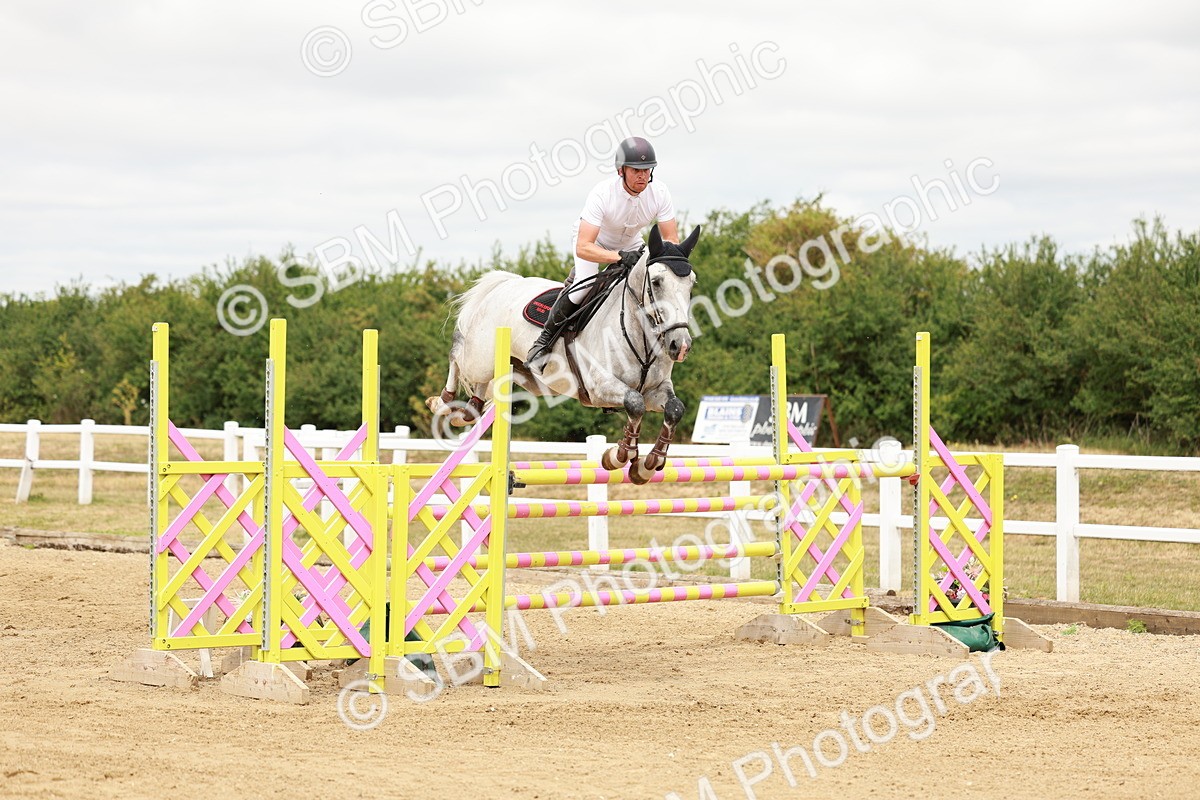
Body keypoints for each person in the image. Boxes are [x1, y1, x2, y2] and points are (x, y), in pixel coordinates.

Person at [526, 136, 680, 371]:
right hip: (593, 242)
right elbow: (583, 247)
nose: (643, 176)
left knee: (650, 283)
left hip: (630, 243)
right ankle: (544, 340)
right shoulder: (603, 193)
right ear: (621, 170)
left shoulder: (659, 192)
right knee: (583, 287)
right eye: (636, 170)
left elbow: (671, 240)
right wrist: (618, 257)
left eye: (647, 170)